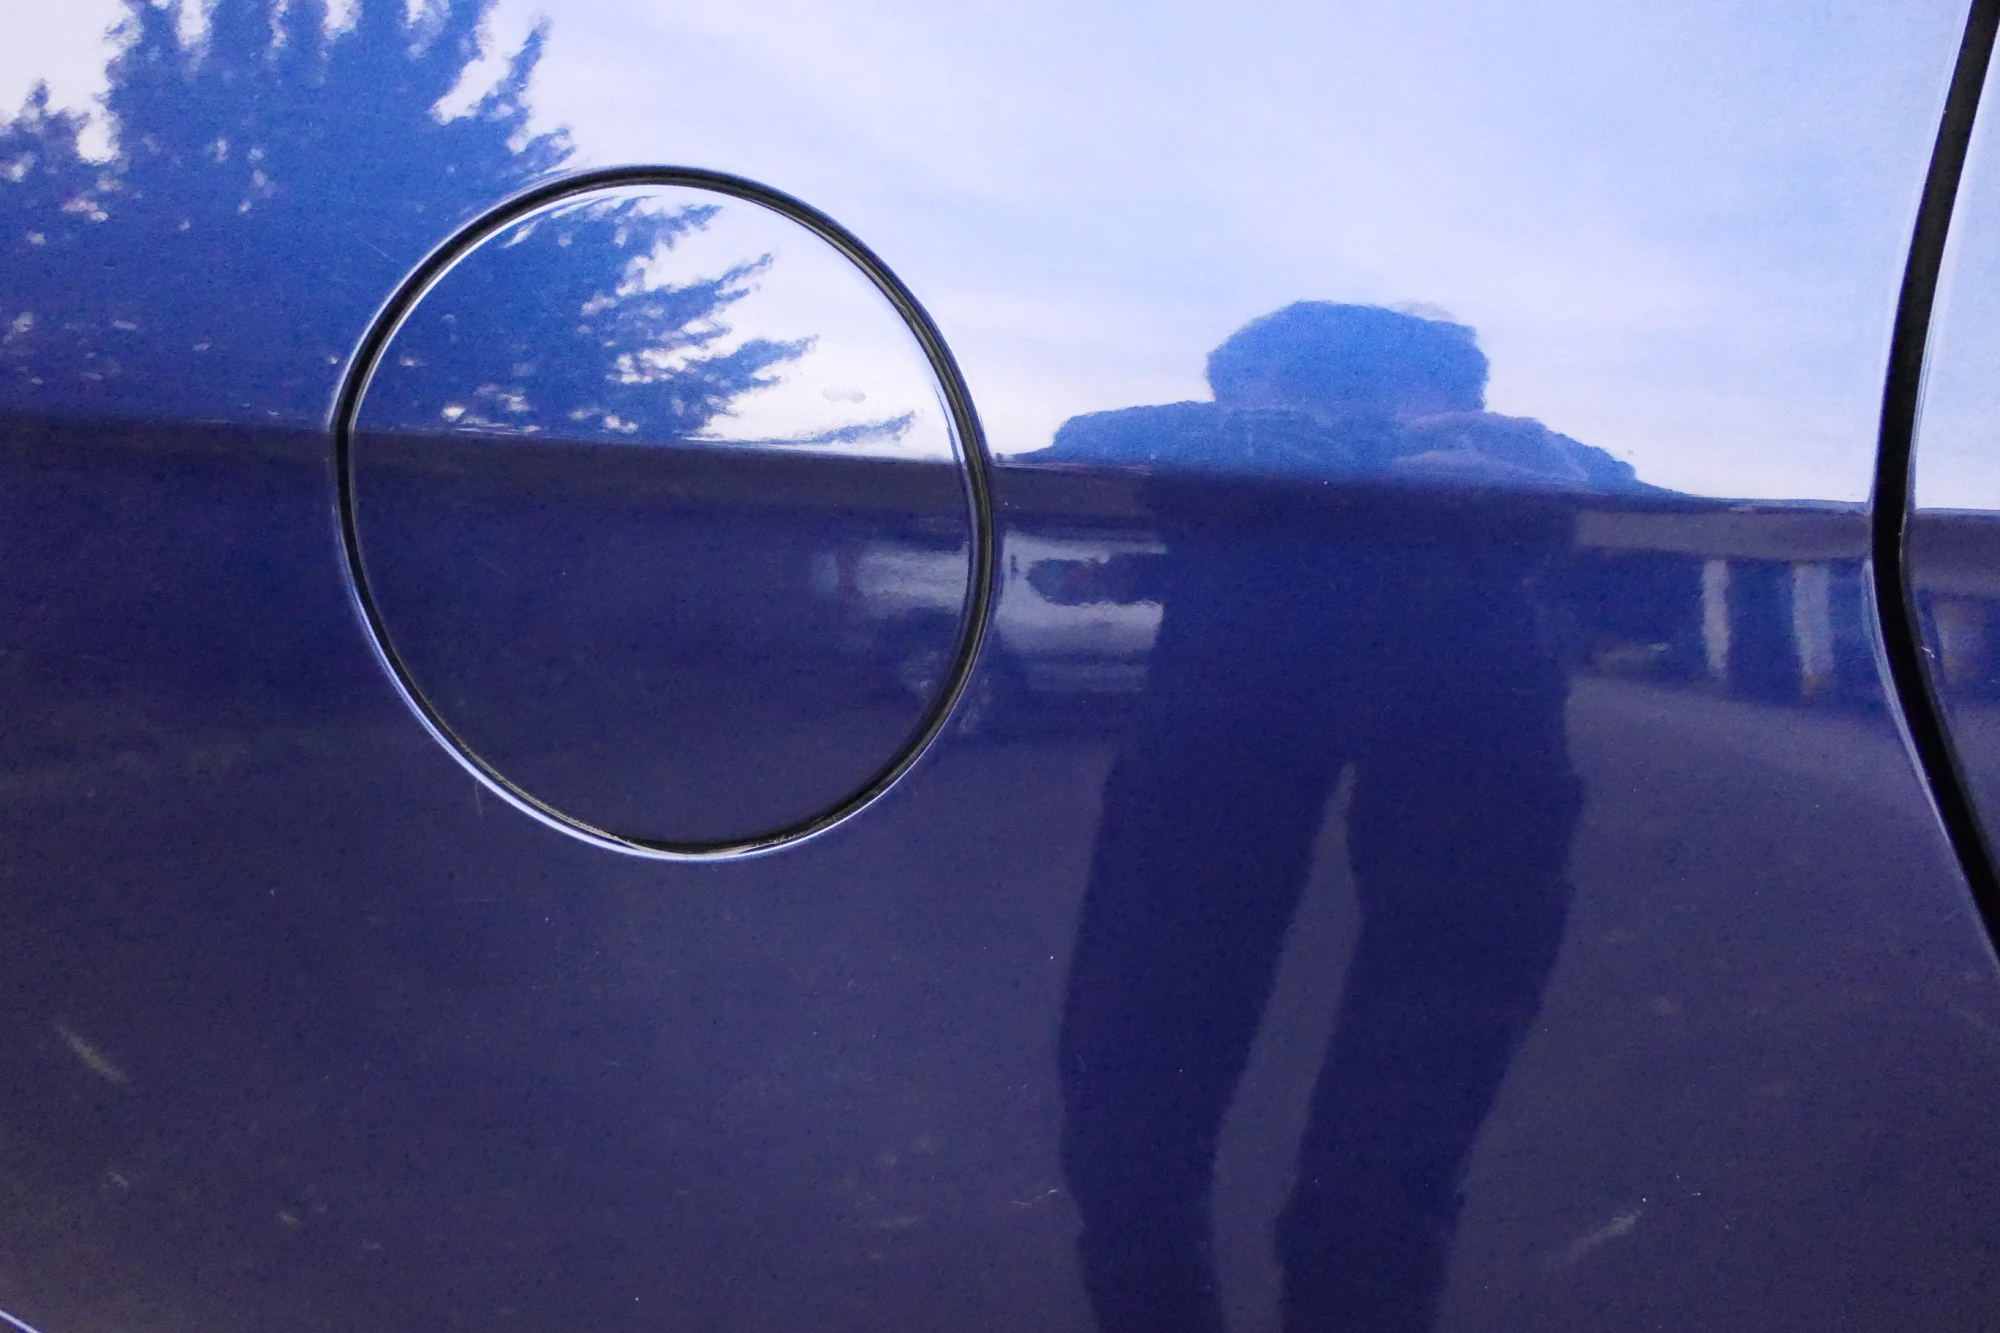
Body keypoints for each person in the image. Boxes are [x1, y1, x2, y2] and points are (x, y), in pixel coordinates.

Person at [1051, 303, 1603, 1331]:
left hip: (1465, 710)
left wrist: (1535, 464)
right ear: (1234, 401)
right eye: (1310, 410)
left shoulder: (1524, 463)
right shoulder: (1192, 445)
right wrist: (1248, 443)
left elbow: (1636, 540)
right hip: (1231, 708)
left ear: (1464, 413)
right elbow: (1076, 440)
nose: (1354, 440)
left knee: (1395, 1141)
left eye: (1386, 417)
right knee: (1133, 1115)